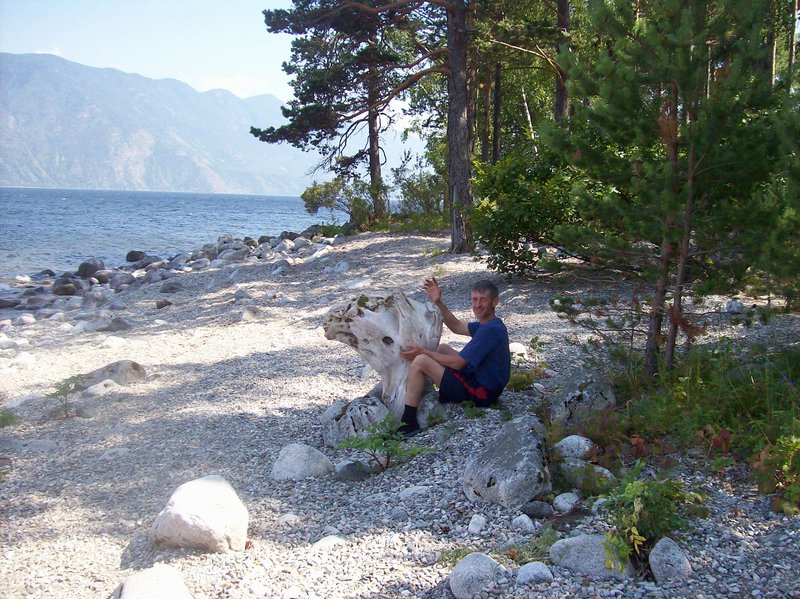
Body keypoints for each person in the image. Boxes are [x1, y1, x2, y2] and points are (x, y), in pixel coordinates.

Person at [398, 277, 511, 436]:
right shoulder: (489, 324)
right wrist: (438, 302)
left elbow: (458, 363)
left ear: (495, 302)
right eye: (474, 299)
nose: (477, 305)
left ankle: (408, 423)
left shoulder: (490, 330)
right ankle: (427, 384)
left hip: (482, 393)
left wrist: (423, 352)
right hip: (482, 381)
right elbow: (456, 327)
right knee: (443, 348)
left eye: (483, 300)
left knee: (421, 361)